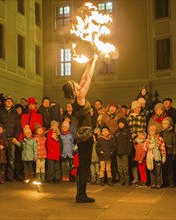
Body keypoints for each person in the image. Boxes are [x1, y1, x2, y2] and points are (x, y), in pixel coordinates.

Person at [62, 57, 97, 203]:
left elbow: (84, 76)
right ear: (74, 90)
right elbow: (89, 78)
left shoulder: (76, 98)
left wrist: (89, 63)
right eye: (74, 84)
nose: (77, 82)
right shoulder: (81, 97)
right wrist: (95, 60)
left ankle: (80, 194)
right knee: (84, 165)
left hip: (81, 135)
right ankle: (81, 195)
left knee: (83, 165)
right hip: (86, 136)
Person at [0, 95, 21, 182]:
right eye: (7, 101)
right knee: (0, 157)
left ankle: (10, 176)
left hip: (11, 138)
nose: (9, 103)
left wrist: (15, 137)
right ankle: (0, 176)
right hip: (1, 137)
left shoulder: (14, 112)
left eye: (10, 102)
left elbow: (18, 126)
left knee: (11, 157)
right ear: (4, 102)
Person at [114, 118, 133, 186]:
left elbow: (129, 143)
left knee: (125, 168)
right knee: (119, 168)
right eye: (119, 123)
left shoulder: (127, 132)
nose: (120, 124)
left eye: (122, 123)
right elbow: (115, 142)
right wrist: (115, 150)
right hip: (118, 153)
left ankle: (127, 181)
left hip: (125, 153)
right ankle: (122, 180)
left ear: (125, 124)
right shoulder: (116, 132)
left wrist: (128, 152)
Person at [160, 117, 176, 187]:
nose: (164, 125)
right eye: (163, 123)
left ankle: (171, 181)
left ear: (169, 124)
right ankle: (164, 181)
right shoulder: (161, 133)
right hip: (163, 153)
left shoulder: (172, 134)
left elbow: (175, 144)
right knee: (163, 167)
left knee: (170, 168)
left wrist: (174, 152)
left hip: (170, 152)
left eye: (166, 123)